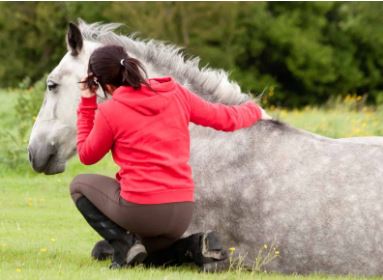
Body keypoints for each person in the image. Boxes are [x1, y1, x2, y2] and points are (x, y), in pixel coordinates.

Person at [69, 44, 267, 270]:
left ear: (102, 83)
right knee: (147, 256)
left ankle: (123, 245)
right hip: (181, 212)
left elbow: (86, 155)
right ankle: (194, 245)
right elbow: (223, 118)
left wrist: (87, 102)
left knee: (78, 185)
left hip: (141, 211)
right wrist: (254, 110)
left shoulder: (110, 110)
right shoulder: (175, 93)